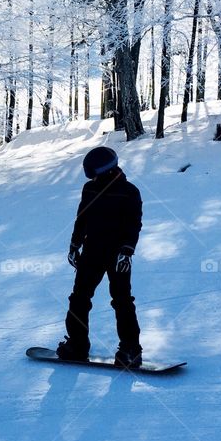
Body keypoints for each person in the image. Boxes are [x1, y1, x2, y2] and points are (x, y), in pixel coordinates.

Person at [57, 146, 143, 368]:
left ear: (105, 169)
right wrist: (75, 245)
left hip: (117, 257)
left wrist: (126, 252)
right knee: (79, 298)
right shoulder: (90, 189)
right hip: (92, 252)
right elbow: (82, 219)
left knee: (122, 300)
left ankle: (130, 350)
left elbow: (133, 225)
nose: (92, 177)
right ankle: (77, 345)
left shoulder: (129, 192)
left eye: (94, 172)